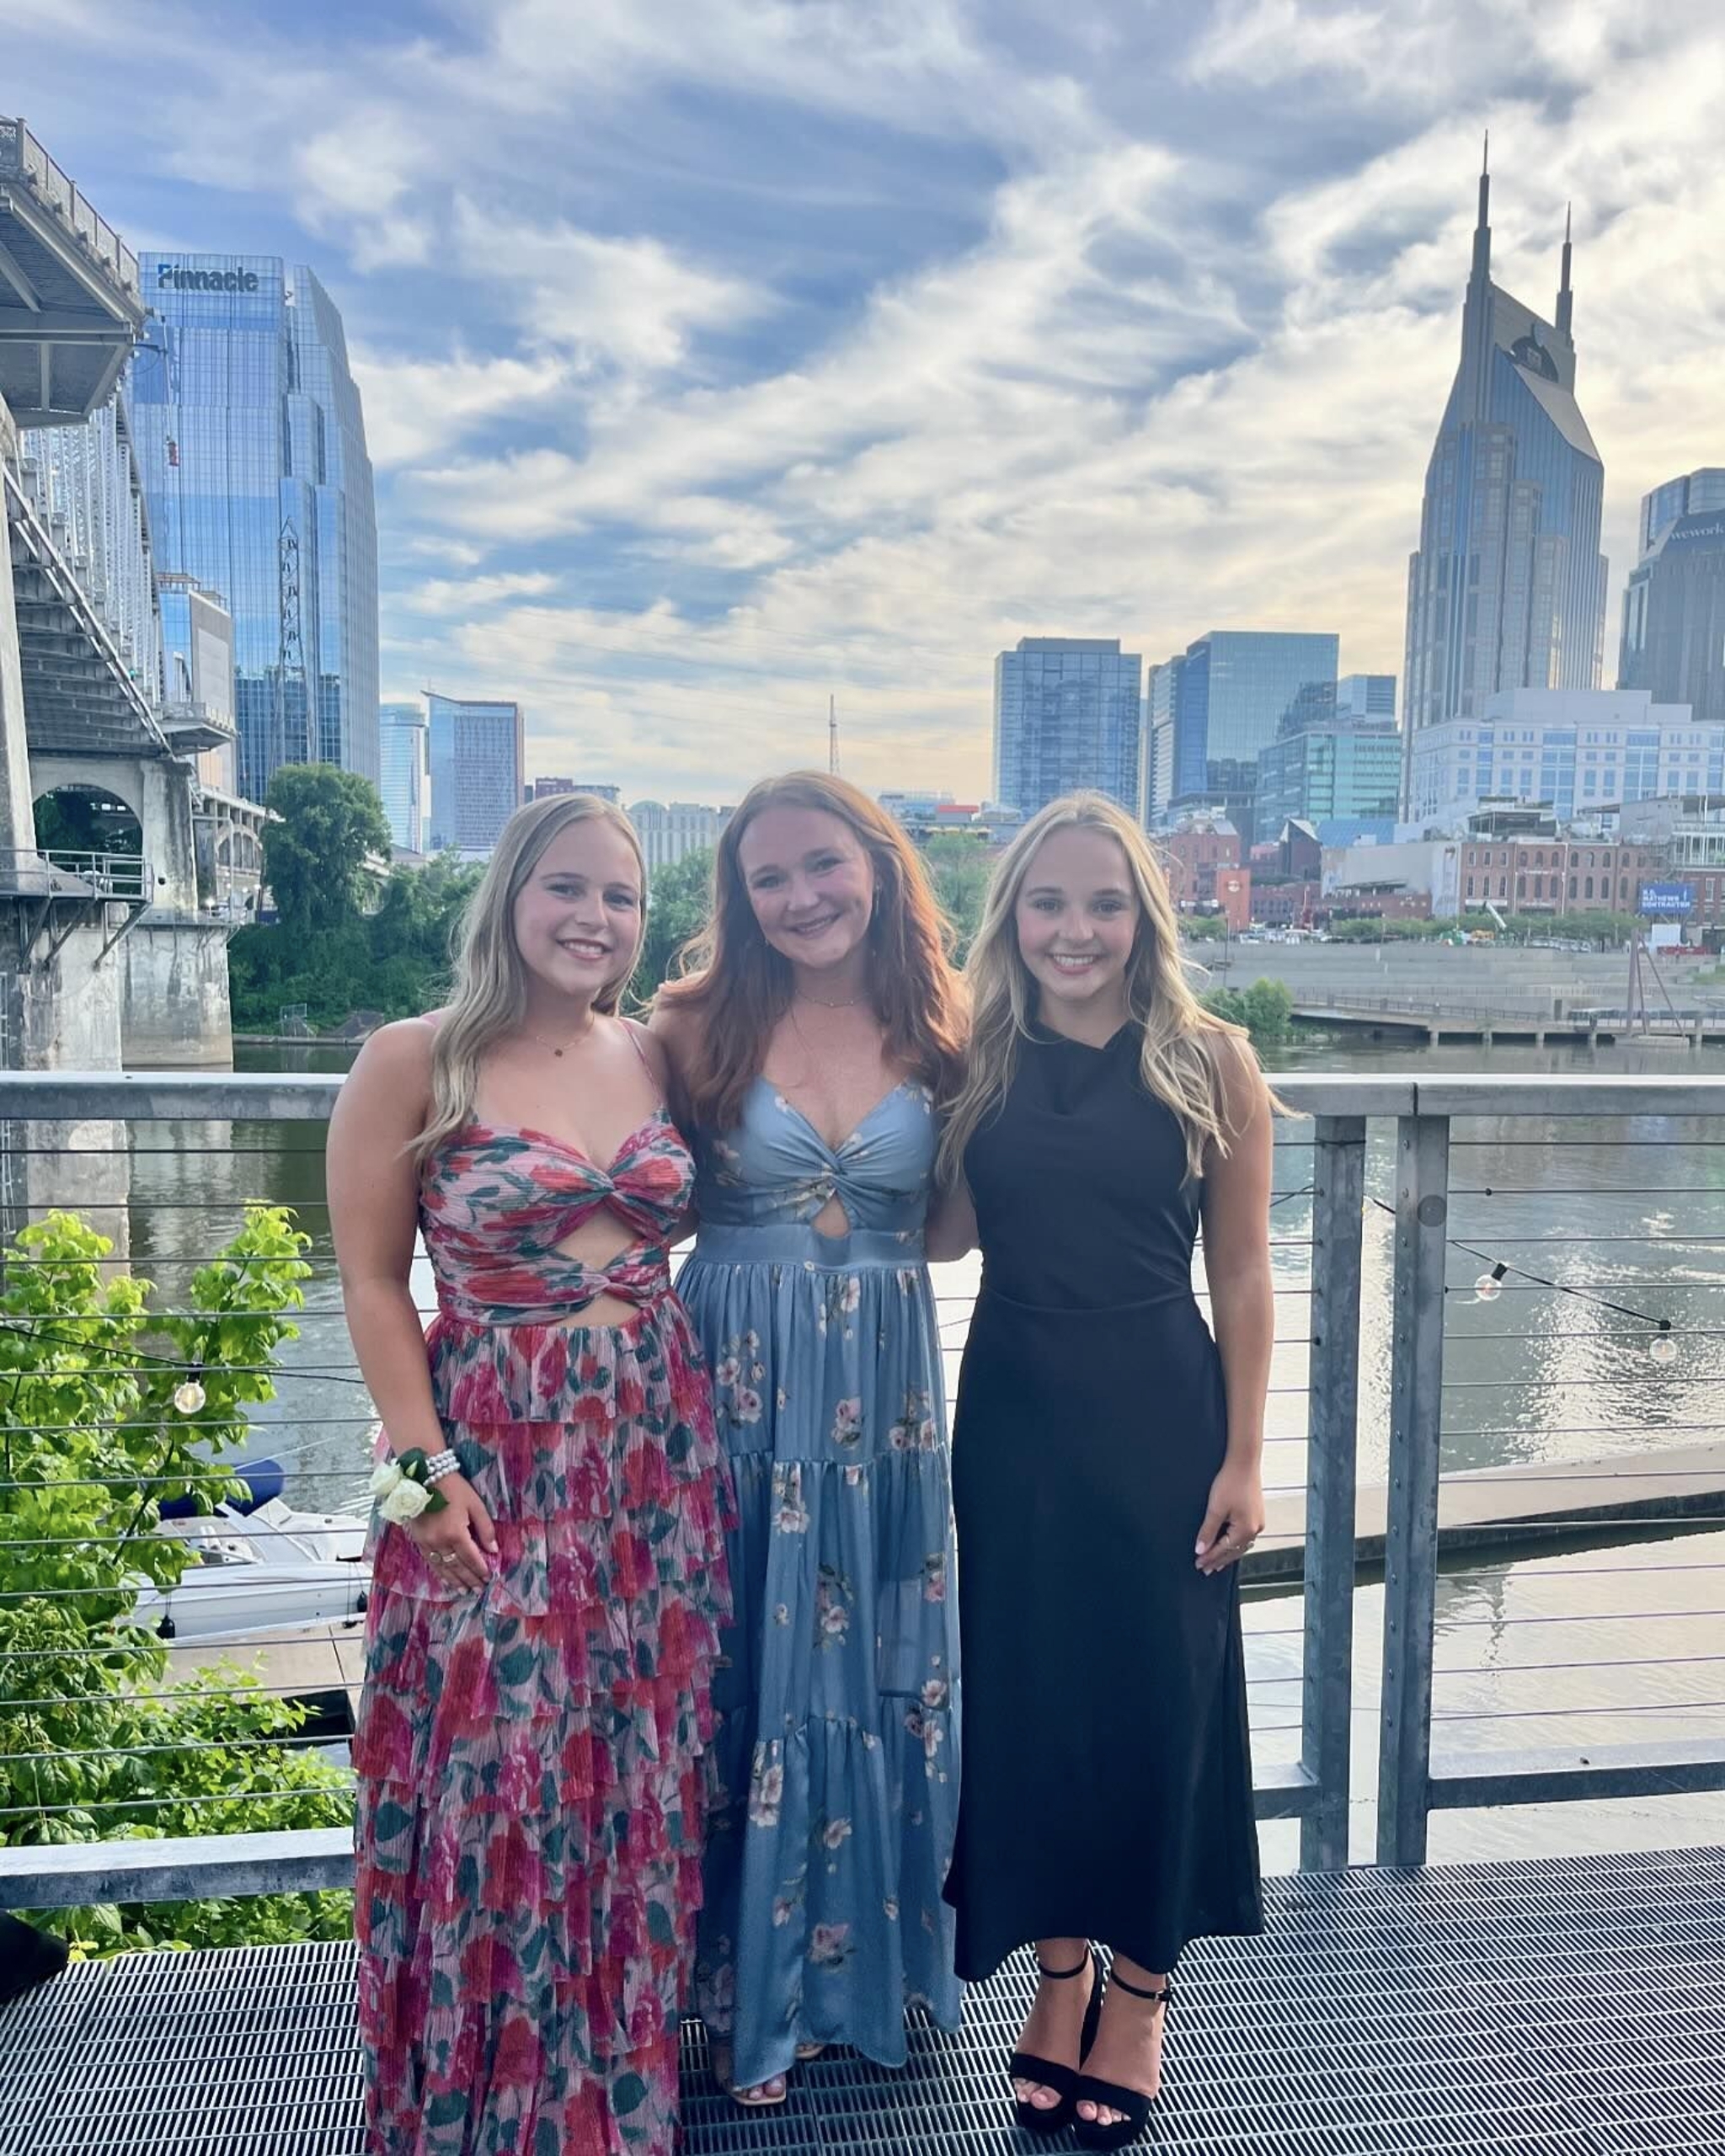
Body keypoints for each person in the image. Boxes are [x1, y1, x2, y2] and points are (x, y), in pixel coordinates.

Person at [331, 794, 731, 2156]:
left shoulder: (659, 1053)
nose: (593, 918)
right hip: (491, 1450)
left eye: (620, 897)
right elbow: (372, 1283)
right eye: (566, 887)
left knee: (631, 1763)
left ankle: (608, 2093)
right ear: (508, 896)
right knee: (488, 1765)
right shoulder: (416, 1057)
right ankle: (475, 2098)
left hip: (655, 1450)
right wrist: (421, 1467)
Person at [929, 792, 1271, 2151]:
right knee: (1033, 1701)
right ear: (1013, 914)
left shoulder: (1210, 1059)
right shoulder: (979, 1057)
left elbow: (1243, 1273)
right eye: (1049, 902)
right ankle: (1057, 1977)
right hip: (1013, 1414)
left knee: (1157, 1700)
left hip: (1159, 1414)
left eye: (1104, 904)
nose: (1074, 930)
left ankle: (1140, 1993)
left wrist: (1247, 1453)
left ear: (1145, 918)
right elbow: (944, 1235)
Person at [651, 771, 968, 2108]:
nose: (801, 897)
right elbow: (619, 1184)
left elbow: (952, 1229)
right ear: (739, 898)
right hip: (732, 1389)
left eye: (824, 864)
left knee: (879, 1666)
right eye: (768, 878)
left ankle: (860, 1980)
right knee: (738, 1669)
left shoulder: (949, 1028)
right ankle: (745, 1997)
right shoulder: (687, 1025)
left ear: (879, 866)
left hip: (885, 1398)